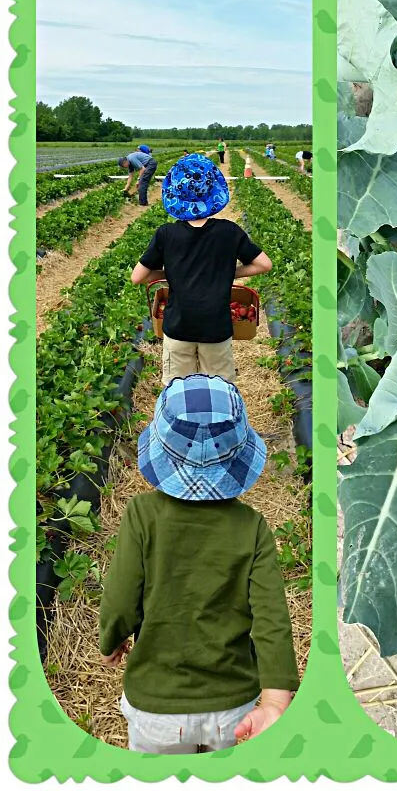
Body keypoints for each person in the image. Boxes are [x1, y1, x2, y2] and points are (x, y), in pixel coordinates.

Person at [99, 374, 300, 753]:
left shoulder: (142, 515)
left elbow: (121, 596)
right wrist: (274, 701)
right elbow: (272, 618)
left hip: (156, 704)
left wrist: (111, 640)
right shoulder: (251, 526)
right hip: (233, 707)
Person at [130, 153, 272, 386]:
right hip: (216, 328)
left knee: (177, 391)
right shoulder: (229, 232)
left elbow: (138, 277)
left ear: (175, 194)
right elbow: (264, 264)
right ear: (213, 191)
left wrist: (170, 273)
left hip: (178, 328)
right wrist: (228, 271)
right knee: (219, 390)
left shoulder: (166, 234)